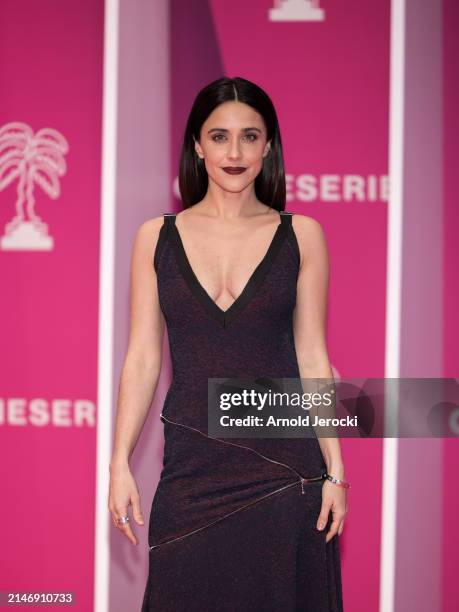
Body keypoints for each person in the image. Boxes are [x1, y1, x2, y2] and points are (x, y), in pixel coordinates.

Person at [108, 76, 349, 611]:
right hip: (192, 473)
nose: (234, 152)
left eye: (249, 136)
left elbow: (313, 356)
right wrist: (119, 461)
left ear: (269, 145)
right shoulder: (156, 237)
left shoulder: (301, 234)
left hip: (287, 470)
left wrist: (336, 470)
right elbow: (143, 357)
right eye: (219, 136)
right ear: (197, 145)